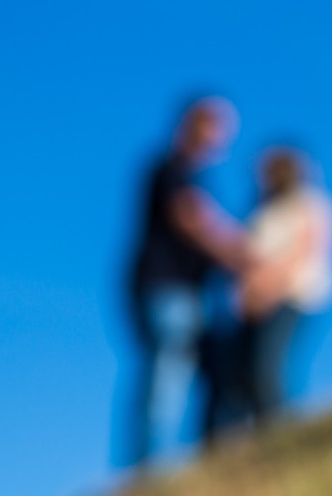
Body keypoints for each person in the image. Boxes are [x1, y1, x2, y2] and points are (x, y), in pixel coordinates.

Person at [127, 96, 247, 467]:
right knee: (169, 374)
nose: (222, 140)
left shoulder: (195, 178)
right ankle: (152, 470)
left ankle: (199, 459)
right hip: (167, 290)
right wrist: (242, 255)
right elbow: (192, 221)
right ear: (197, 127)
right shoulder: (171, 170)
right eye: (218, 129)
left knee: (192, 374)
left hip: (187, 295)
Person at [204, 147, 332, 436]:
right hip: (254, 305)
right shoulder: (261, 211)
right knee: (240, 375)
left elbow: (305, 251)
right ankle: (244, 439)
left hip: (295, 298)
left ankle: (280, 436)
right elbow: (244, 257)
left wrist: (266, 288)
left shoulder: (310, 203)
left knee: (266, 366)